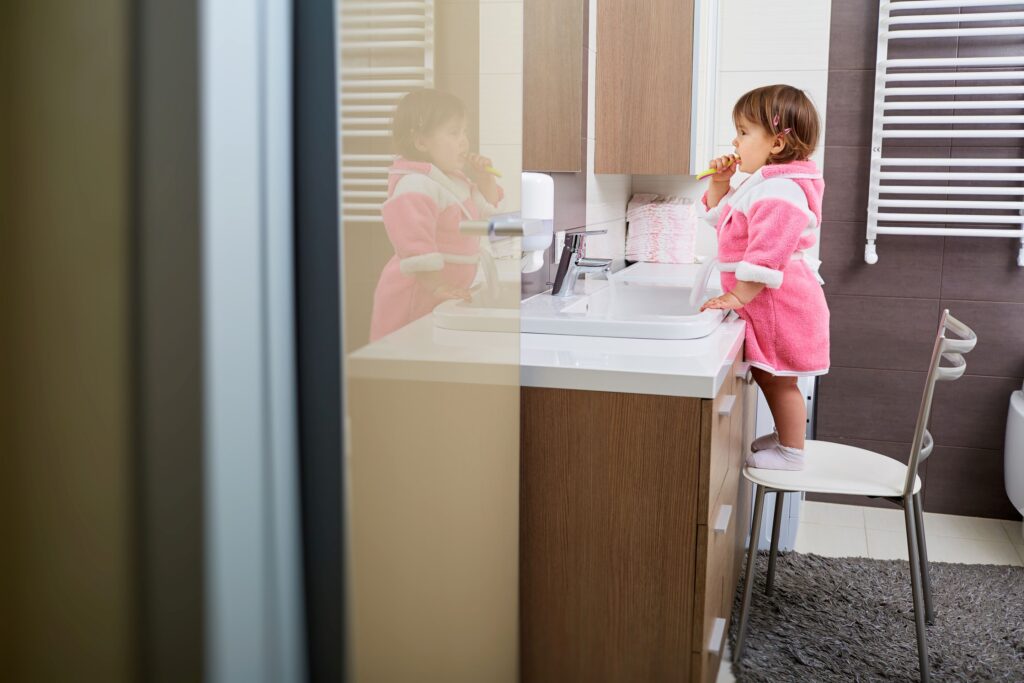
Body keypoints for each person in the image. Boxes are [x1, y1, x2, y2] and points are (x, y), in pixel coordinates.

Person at [698, 84, 830, 471]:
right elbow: (725, 221)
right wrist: (721, 182)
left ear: (775, 144)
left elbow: (767, 252)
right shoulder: (766, 185)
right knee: (769, 373)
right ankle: (786, 437)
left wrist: (737, 296)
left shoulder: (780, 189)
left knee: (780, 378)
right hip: (773, 300)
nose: (734, 140)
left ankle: (792, 453)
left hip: (780, 303)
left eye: (743, 131)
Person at [369, 89, 503, 341]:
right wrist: (436, 285)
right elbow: (413, 243)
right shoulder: (415, 184)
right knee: (406, 356)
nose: (464, 141)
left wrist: (485, 178)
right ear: (421, 142)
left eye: (464, 132)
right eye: (454, 133)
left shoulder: (453, 181)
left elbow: (486, 213)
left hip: (438, 294)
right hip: (415, 293)